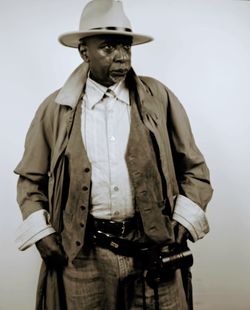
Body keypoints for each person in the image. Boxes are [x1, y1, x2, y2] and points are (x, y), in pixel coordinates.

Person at [15, 0, 213, 309]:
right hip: (84, 256)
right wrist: (42, 233)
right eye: (108, 48)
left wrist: (182, 224)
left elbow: (195, 169)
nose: (121, 57)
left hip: (152, 250)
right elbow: (30, 181)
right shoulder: (55, 109)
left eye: (126, 47)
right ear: (84, 52)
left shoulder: (157, 99)